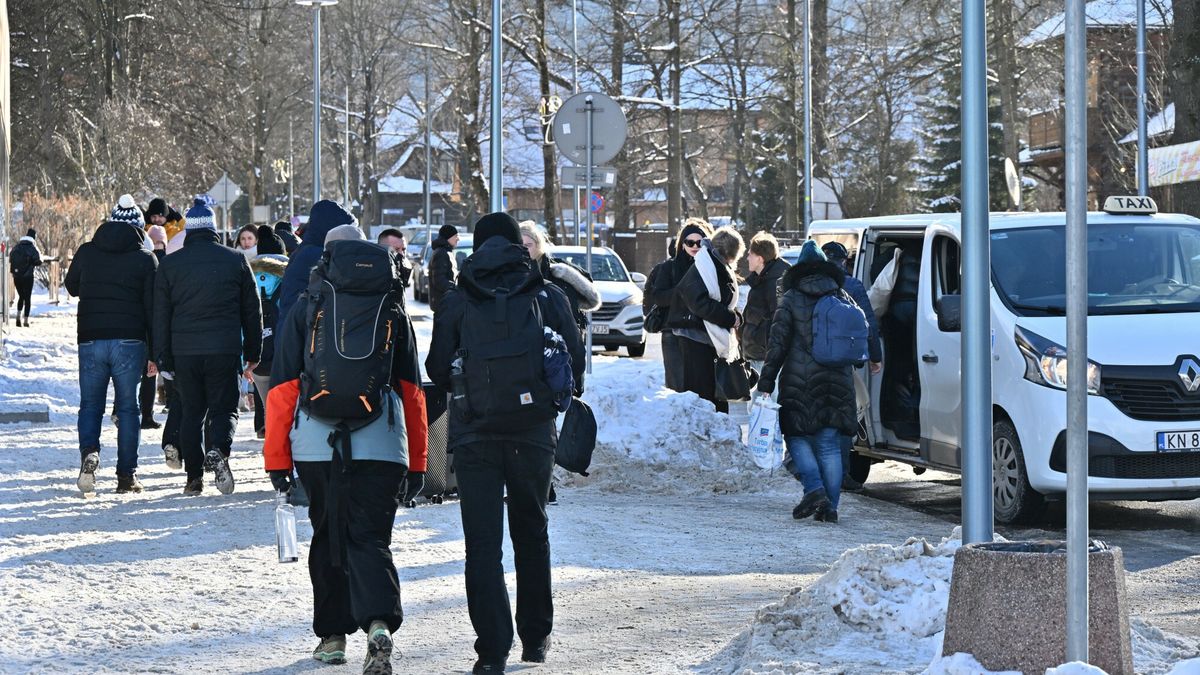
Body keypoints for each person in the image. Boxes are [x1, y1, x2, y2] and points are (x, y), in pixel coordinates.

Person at [425, 212, 584, 674]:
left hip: (474, 433)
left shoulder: (458, 299)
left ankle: (492, 651)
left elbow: (436, 367)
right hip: (533, 432)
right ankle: (535, 637)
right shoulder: (546, 294)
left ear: (477, 248)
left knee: (482, 543)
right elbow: (573, 362)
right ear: (518, 246)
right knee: (532, 530)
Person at [265, 235, 428, 675]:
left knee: (328, 535)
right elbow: (412, 392)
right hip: (382, 445)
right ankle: (379, 623)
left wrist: (277, 460)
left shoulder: (308, 305)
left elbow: (283, 390)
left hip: (316, 445)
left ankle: (333, 638)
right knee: (370, 537)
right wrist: (418, 462)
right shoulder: (392, 308)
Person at [153, 197, 262, 496]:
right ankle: (219, 450)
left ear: (189, 230)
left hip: (185, 350)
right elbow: (252, 311)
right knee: (225, 408)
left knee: (191, 412)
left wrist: (162, 357)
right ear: (213, 228)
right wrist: (254, 353)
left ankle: (193, 478)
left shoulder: (170, 265)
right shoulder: (235, 260)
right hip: (224, 348)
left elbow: (160, 315)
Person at [757, 241, 858, 524]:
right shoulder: (841, 295)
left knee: (796, 436)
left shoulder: (790, 299)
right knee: (829, 443)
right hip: (838, 379)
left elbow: (777, 345)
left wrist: (765, 383)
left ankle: (814, 489)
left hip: (799, 381)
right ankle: (830, 507)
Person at [64, 213, 158, 494]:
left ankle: (89, 453)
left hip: (91, 337)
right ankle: (126, 476)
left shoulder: (87, 252)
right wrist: (155, 352)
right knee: (128, 408)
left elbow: (71, 287)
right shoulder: (145, 259)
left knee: (90, 405)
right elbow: (153, 308)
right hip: (130, 340)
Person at [822, 241, 882, 490]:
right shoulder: (853, 286)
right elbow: (868, 324)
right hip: (842, 364)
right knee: (844, 418)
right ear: (844, 262)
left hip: (813, 363)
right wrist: (875, 357)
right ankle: (841, 474)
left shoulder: (807, 285)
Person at [667, 225, 745, 414]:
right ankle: (710, 428)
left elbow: (721, 301)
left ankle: (718, 426)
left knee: (713, 393)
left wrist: (734, 317)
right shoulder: (706, 267)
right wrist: (730, 318)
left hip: (705, 338)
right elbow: (701, 304)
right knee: (704, 395)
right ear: (730, 253)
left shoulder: (712, 264)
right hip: (696, 339)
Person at [645, 219, 713, 391]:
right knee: (677, 386)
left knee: (701, 387)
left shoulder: (711, 268)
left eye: (699, 242)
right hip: (673, 333)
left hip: (702, 333)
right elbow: (658, 297)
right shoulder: (669, 268)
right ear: (682, 244)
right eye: (690, 242)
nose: (695, 246)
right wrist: (682, 293)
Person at [277, 200, 357, 330]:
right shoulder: (316, 254)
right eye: (345, 231)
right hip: (302, 332)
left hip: (293, 328)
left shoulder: (307, 250)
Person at [520, 222, 601, 332]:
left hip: (562, 338)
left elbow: (591, 300)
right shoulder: (509, 277)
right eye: (520, 245)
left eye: (528, 245)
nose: (524, 249)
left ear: (538, 245)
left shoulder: (560, 276)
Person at [741, 232, 790, 375]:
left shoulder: (775, 283)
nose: (747, 258)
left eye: (750, 254)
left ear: (760, 259)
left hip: (765, 359)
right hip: (757, 355)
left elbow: (779, 320)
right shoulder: (762, 280)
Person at [8, 228, 43, 327]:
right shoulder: (32, 248)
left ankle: (18, 317)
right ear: (33, 237)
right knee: (27, 298)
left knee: (21, 296)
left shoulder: (17, 247)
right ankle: (26, 320)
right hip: (28, 277)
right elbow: (38, 261)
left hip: (17, 276)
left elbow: (10, 258)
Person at [428, 224, 459, 312]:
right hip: (443, 304)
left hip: (447, 303)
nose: (458, 239)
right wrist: (457, 288)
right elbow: (439, 280)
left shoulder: (446, 251)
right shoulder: (441, 253)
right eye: (455, 236)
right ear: (448, 237)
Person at [376, 227, 414, 299]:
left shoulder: (401, 270)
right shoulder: (372, 272)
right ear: (381, 248)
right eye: (396, 249)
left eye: (403, 249)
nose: (401, 253)